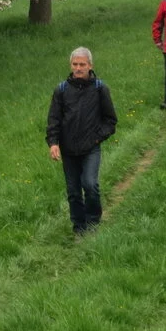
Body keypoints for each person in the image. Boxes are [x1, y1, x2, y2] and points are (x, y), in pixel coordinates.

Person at [45, 46, 117, 235]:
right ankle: (79, 227)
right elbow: (54, 119)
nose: (78, 68)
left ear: (90, 65)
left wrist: (96, 138)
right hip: (68, 149)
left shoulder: (100, 89)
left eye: (82, 64)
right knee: (73, 191)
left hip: (91, 148)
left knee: (90, 184)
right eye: (75, 64)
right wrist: (53, 143)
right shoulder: (61, 90)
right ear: (70, 65)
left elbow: (110, 121)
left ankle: (93, 223)